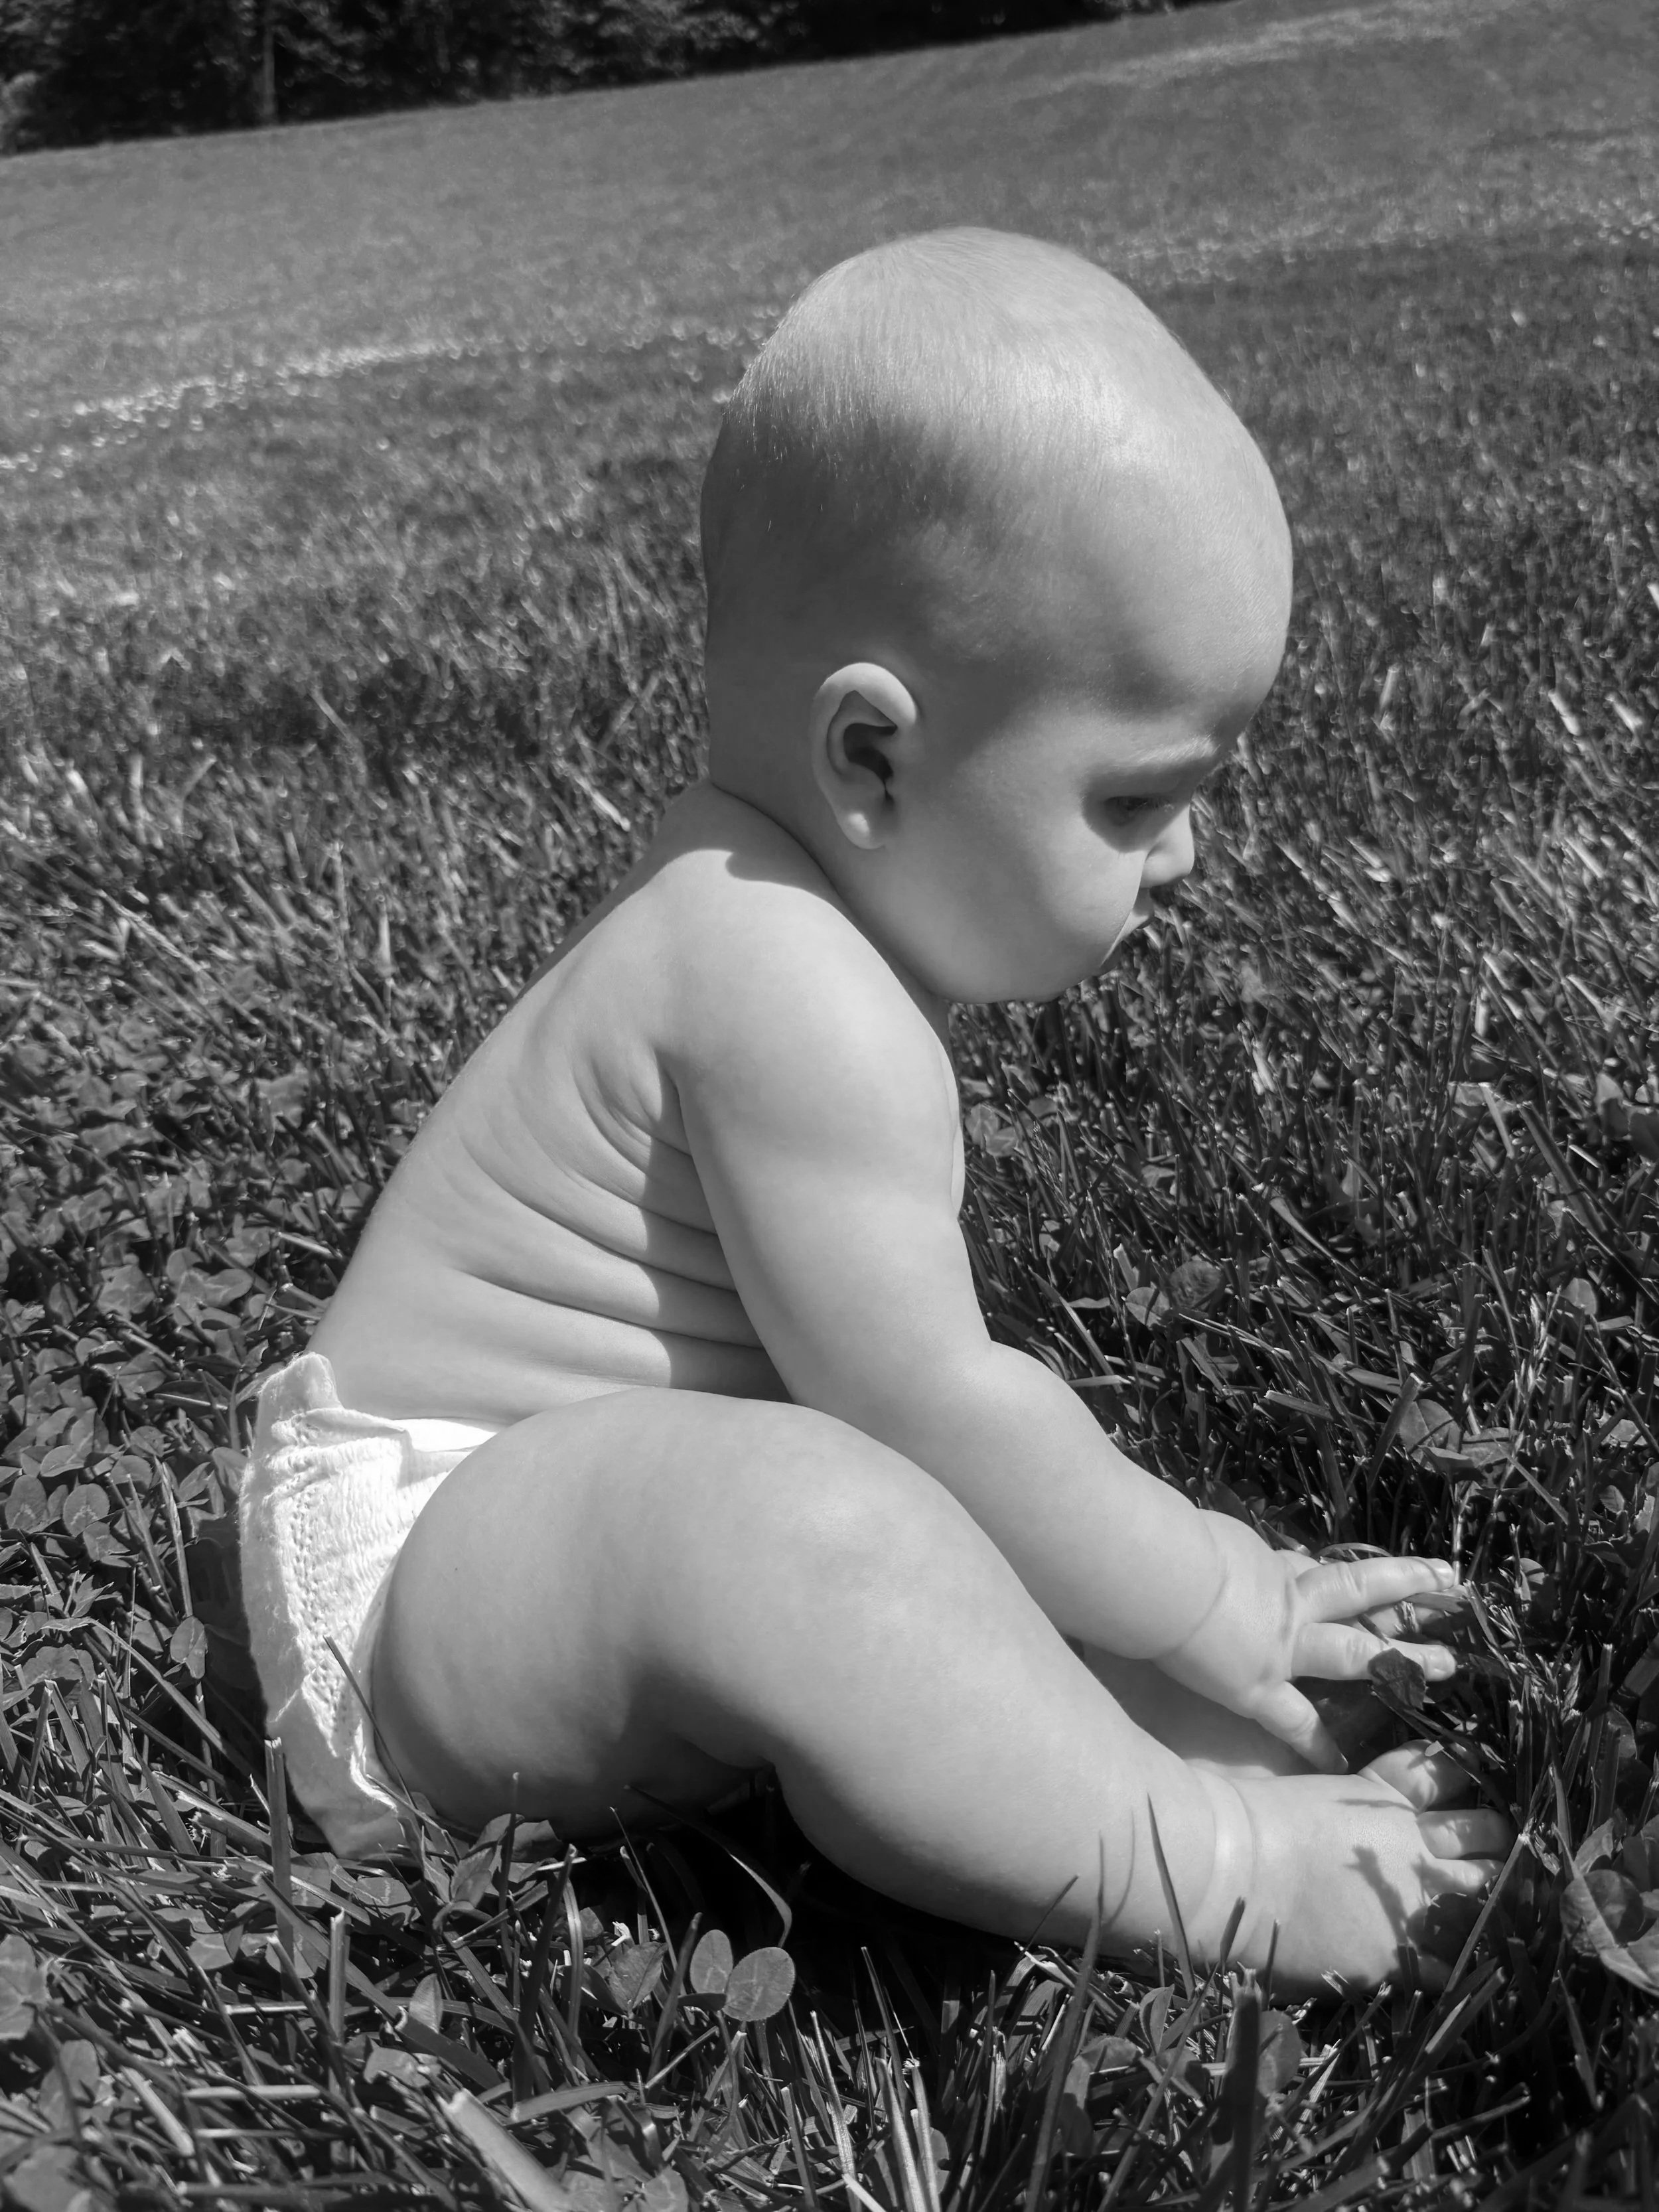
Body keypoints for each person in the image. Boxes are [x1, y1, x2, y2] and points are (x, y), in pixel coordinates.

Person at [242, 228, 1511, 1991]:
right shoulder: (785, 984)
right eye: (1136, 798)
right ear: (871, 759)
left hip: (527, 1554)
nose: (1190, 860)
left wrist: (1167, 1633)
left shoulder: (745, 894)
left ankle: (1210, 1752)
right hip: (417, 1596)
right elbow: (927, 1406)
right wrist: (1216, 1586)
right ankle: (1206, 1860)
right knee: (826, 1520)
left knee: (911, 1531)